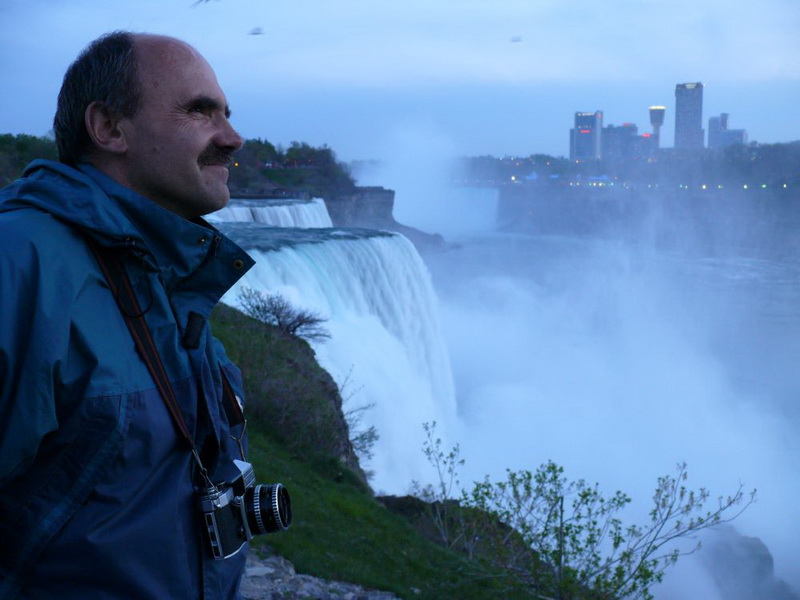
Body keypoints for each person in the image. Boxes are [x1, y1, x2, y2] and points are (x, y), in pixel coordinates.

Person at [0, 31, 257, 599]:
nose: (232, 139)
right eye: (200, 111)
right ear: (110, 128)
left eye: (228, 114)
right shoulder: (20, 266)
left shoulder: (165, 267)